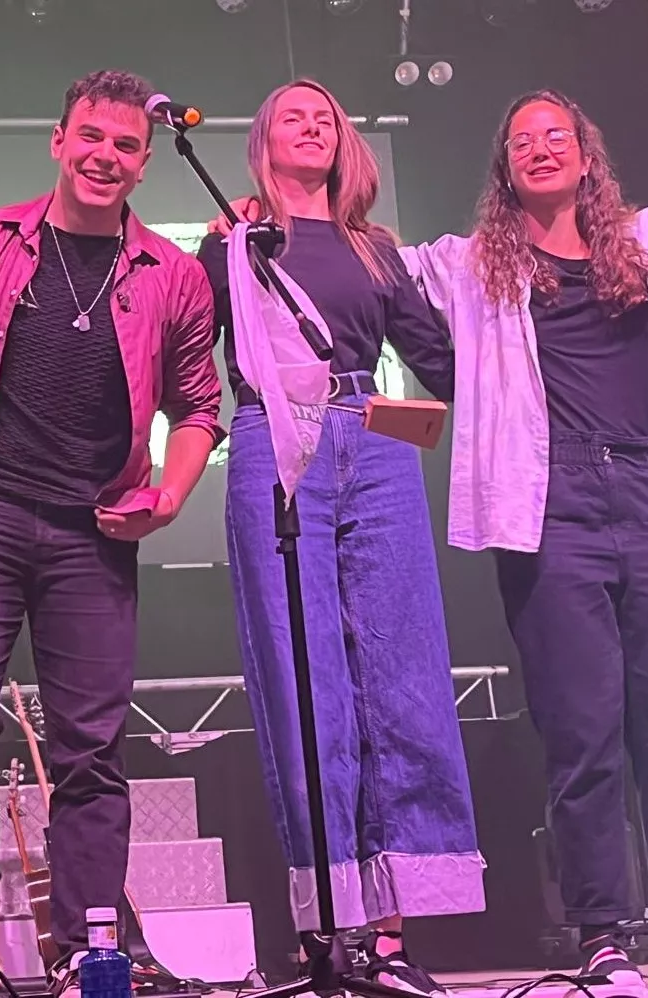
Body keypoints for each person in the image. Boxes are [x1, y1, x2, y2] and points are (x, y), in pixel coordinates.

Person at [396, 89, 648, 986]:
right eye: (520, 142)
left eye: (556, 137)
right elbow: (370, 266)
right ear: (504, 169)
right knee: (582, 735)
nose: (540, 150)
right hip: (551, 507)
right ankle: (602, 937)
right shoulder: (475, 267)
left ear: (586, 156)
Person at [0, 69, 224, 995]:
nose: (104, 156)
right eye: (91, 136)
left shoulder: (172, 276)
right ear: (57, 139)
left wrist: (168, 495)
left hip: (93, 528)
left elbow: (199, 406)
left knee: (90, 745)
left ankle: (89, 938)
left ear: (145, 161)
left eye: (125, 145)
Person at [196, 80, 482, 997]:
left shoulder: (376, 249)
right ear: (262, 143)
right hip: (270, 438)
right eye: (292, 115)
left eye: (326, 117)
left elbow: (439, 360)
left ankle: (394, 934)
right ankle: (331, 928)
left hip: (376, 437)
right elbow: (181, 348)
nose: (312, 127)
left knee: (399, 673)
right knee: (301, 675)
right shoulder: (230, 244)